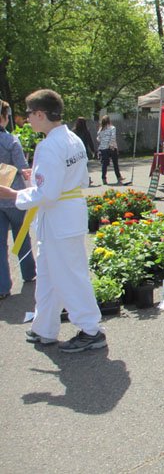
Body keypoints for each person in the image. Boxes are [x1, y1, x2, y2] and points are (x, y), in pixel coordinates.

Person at [0, 89, 106, 352]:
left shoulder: (49, 145)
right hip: (64, 214)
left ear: (40, 114)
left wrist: (13, 194)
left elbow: (47, 193)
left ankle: (91, 329)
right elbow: (72, 179)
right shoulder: (72, 139)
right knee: (48, 275)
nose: (27, 119)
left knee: (70, 276)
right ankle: (44, 327)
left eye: (28, 114)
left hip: (58, 216)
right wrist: (32, 178)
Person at [0, 100, 36, 299]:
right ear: (4, 118)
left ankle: (2, 286)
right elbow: (23, 168)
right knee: (21, 236)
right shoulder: (11, 141)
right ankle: (29, 272)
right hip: (14, 196)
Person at [97, 115, 124, 185]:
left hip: (103, 148)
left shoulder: (101, 129)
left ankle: (104, 178)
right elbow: (113, 137)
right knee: (115, 163)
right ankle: (118, 177)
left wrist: (103, 142)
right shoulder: (112, 128)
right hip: (111, 148)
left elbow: (98, 138)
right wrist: (111, 145)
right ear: (109, 121)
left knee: (104, 164)